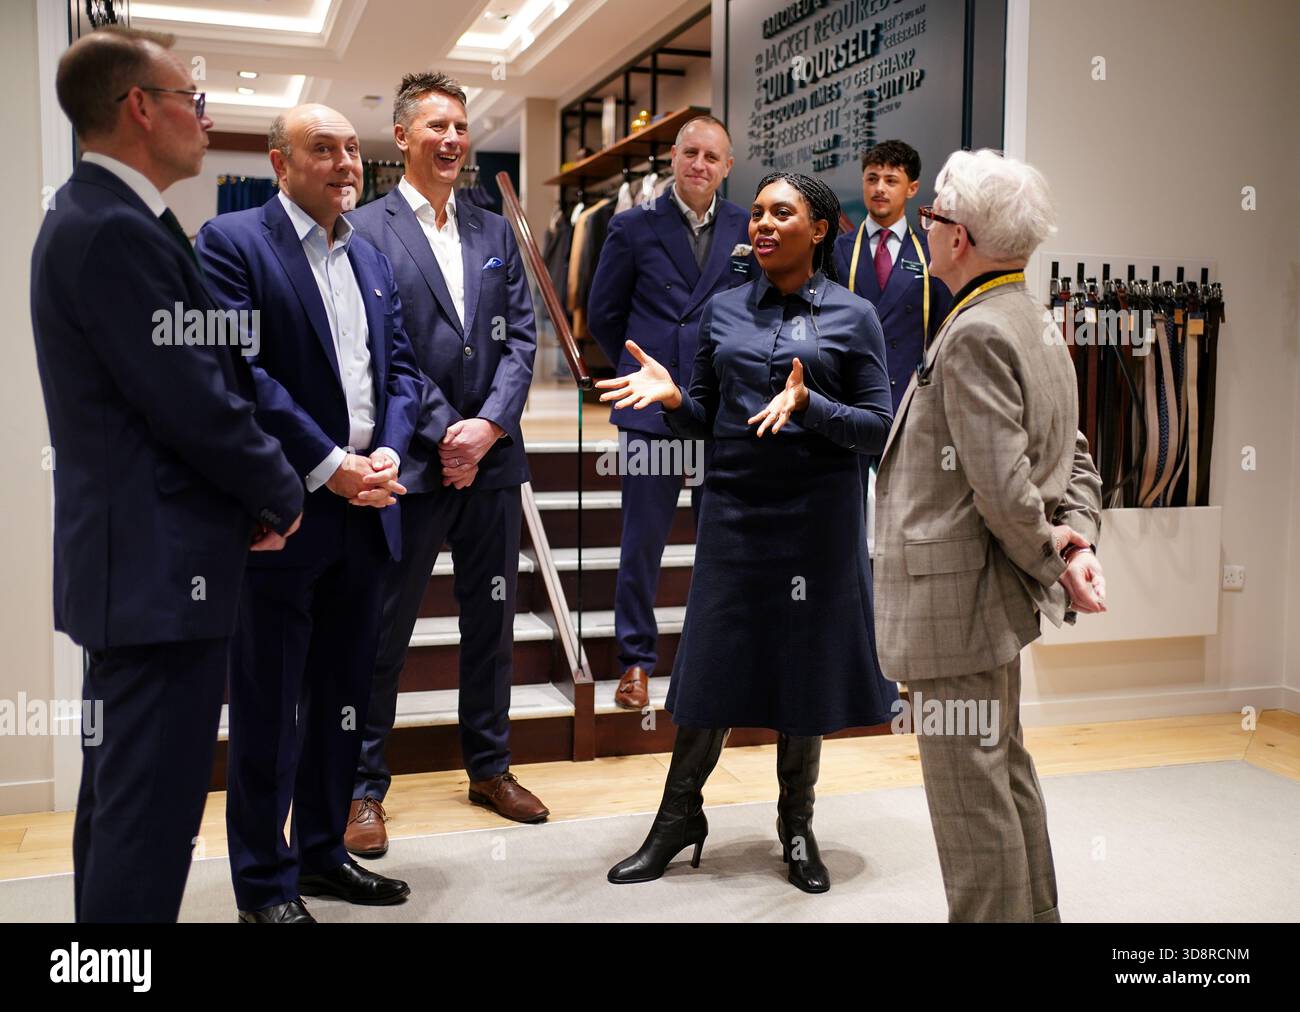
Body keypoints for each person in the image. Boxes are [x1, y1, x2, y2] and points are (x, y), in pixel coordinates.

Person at [30, 26, 304, 922]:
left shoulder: (113, 219)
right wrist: (280, 490)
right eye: (193, 99)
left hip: (148, 570)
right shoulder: (111, 230)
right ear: (141, 108)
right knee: (147, 823)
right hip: (156, 575)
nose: (205, 117)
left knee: (126, 810)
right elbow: (193, 403)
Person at [598, 172, 896, 893]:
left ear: (818, 229)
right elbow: (703, 419)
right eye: (757, 212)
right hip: (734, 511)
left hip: (818, 519)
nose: (761, 224)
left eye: (780, 213)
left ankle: (796, 825)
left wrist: (811, 404)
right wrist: (675, 401)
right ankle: (677, 818)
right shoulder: (723, 311)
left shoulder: (854, 315)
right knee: (712, 664)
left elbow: (879, 429)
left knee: (804, 669)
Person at [196, 104, 422, 923]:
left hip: (369, 507)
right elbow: (241, 371)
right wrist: (331, 467)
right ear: (279, 162)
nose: (344, 163)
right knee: (269, 707)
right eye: (322, 149)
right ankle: (264, 884)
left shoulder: (369, 256)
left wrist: (389, 451)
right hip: (285, 512)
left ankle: (324, 854)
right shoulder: (231, 242)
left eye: (351, 149)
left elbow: (401, 371)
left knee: (342, 698)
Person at [873, 148, 1107, 922]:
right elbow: (1074, 455)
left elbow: (1004, 490)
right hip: (987, 601)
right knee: (1002, 775)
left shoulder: (976, 332)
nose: (925, 228)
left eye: (932, 215)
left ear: (959, 237)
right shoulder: (1031, 320)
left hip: (957, 608)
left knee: (972, 805)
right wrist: (1074, 544)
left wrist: (1055, 556)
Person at [345, 72, 544, 852]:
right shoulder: (363, 229)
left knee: (491, 625)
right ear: (402, 136)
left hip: (491, 465)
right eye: (437, 126)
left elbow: (522, 339)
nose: (453, 139)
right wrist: (446, 434)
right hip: (409, 466)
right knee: (382, 630)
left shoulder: (496, 231)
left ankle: (490, 768)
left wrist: (488, 427)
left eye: (461, 126)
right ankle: (363, 786)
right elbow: (378, 347)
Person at [586, 115, 754, 711]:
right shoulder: (632, 225)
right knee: (642, 543)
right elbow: (603, 313)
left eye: (712, 157)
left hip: (717, 411)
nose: (699, 165)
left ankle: (719, 656)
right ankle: (635, 661)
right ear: (674, 159)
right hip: (651, 413)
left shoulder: (746, 226)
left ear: (727, 167)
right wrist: (642, 374)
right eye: (690, 153)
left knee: (723, 541)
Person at [833, 140, 953, 414]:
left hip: (910, 398)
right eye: (872, 179)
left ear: (912, 188)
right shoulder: (838, 250)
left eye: (891, 180)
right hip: (850, 398)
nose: (879, 188)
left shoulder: (930, 252)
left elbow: (942, 332)